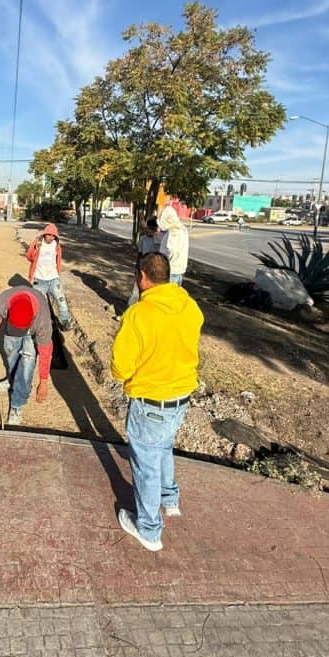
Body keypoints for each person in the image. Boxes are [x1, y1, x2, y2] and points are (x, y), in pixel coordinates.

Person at [111, 251, 204, 551]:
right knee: (164, 447)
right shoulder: (189, 306)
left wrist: (127, 374)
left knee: (146, 465)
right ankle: (170, 499)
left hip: (150, 403)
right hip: (181, 398)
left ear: (142, 277)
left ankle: (149, 530)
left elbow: (120, 366)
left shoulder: (138, 315)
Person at [0, 285, 52, 426]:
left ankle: (17, 405)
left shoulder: (42, 320)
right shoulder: (2, 302)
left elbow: (46, 351)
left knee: (26, 367)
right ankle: (12, 379)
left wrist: (44, 381)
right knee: (11, 353)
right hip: (11, 330)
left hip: (31, 331)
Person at [25, 222, 72, 329]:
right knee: (37, 303)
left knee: (61, 300)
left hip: (53, 278)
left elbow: (58, 260)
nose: (51, 237)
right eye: (49, 235)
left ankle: (65, 321)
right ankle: (36, 325)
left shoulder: (57, 245)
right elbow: (29, 257)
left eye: (53, 236)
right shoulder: (38, 243)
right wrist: (34, 248)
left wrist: (57, 273)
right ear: (44, 234)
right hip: (39, 279)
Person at [127, 215, 159, 307]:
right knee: (135, 292)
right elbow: (140, 254)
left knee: (149, 294)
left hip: (152, 270)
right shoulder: (143, 239)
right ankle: (130, 310)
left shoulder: (158, 240)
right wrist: (137, 267)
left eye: (154, 229)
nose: (151, 231)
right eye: (150, 229)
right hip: (142, 268)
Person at [157, 205, 189, 285]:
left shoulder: (173, 233)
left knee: (168, 295)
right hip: (179, 269)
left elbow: (172, 251)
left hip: (171, 270)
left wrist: (162, 263)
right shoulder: (182, 229)